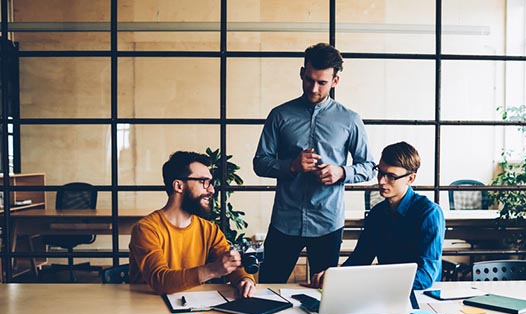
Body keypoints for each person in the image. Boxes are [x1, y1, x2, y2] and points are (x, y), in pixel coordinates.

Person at [253, 43, 375, 283]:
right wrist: (291, 166)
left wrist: (341, 172)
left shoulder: (350, 120)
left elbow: (369, 166)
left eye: (322, 82)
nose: (314, 88)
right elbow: (260, 163)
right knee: (267, 288)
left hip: (327, 222)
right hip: (284, 221)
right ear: (302, 73)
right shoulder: (279, 115)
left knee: (326, 293)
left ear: (335, 81)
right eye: (309, 79)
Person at [309, 142, 445, 290]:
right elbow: (360, 258)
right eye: (380, 172)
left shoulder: (429, 213)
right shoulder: (377, 213)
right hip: (385, 292)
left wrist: (374, 282)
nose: (381, 181)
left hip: (422, 296)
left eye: (391, 176)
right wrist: (334, 275)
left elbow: (425, 276)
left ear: (410, 179)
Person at [129, 151, 256, 296]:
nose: (212, 190)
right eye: (204, 182)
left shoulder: (209, 230)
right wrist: (212, 270)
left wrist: (245, 279)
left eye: (211, 183)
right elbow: (160, 280)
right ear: (178, 186)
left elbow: (230, 262)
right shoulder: (146, 229)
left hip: (192, 309)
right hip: (147, 309)